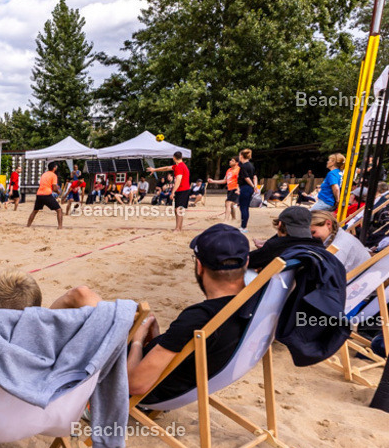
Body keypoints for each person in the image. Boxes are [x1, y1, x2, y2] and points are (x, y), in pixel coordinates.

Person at [127, 224, 254, 404]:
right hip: (187, 385)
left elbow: (136, 385)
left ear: (199, 266)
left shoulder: (199, 317)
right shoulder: (252, 306)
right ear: (246, 262)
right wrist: (159, 338)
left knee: (85, 300)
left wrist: (138, 339)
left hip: (151, 392)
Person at [247, 206, 322, 270]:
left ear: (279, 224)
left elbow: (247, 260)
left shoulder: (276, 246)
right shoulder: (318, 244)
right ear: (309, 226)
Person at [147, 151, 191, 231]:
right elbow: (166, 168)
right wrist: (155, 169)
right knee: (179, 209)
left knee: (178, 209)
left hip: (182, 189)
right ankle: (179, 228)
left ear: (174, 158)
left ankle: (178, 228)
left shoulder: (179, 167)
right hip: (184, 189)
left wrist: (173, 192)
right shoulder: (180, 165)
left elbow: (178, 180)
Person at [27, 162, 63, 230]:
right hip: (47, 194)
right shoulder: (53, 175)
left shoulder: (44, 174)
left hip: (39, 194)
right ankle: (60, 227)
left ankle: (28, 225)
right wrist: (58, 192)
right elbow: (55, 188)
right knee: (59, 210)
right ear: (54, 168)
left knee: (35, 211)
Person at [209, 157, 240, 222]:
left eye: (232, 160)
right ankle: (234, 218)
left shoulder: (239, 170)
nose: (230, 161)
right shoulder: (229, 170)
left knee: (228, 203)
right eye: (230, 160)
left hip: (236, 188)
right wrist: (213, 181)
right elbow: (224, 181)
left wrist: (238, 189)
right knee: (230, 204)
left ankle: (226, 220)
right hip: (230, 189)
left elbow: (241, 181)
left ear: (236, 163)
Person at [236, 148, 258, 231]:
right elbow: (255, 177)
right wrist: (255, 186)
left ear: (241, 156)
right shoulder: (251, 165)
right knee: (245, 207)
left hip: (245, 187)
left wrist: (253, 186)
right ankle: (243, 225)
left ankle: (244, 226)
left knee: (243, 207)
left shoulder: (243, 166)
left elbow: (247, 178)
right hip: (249, 188)